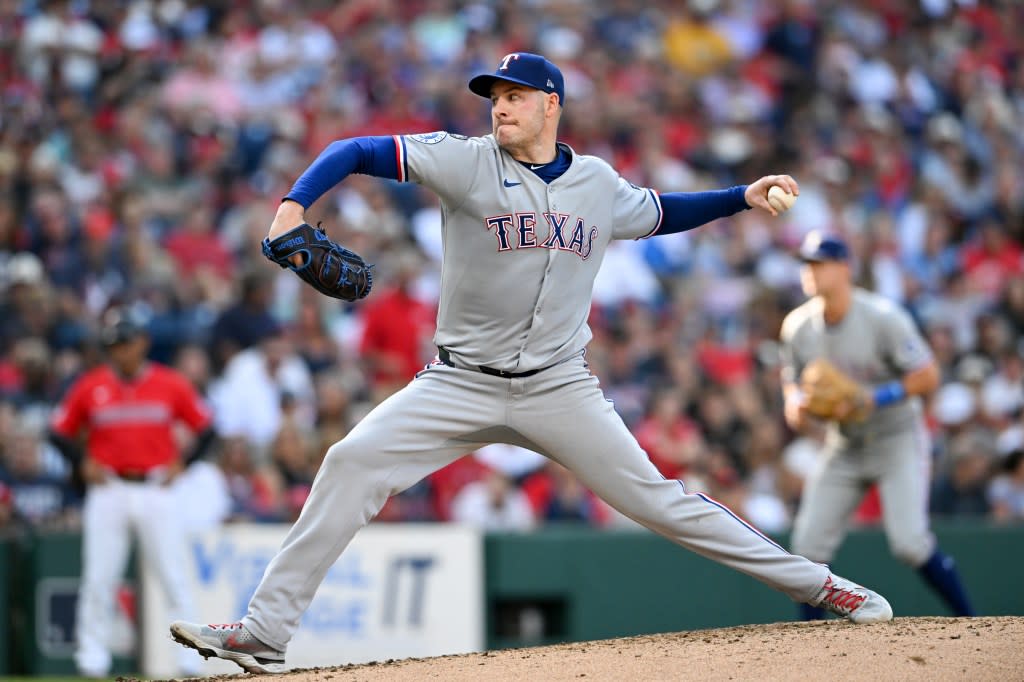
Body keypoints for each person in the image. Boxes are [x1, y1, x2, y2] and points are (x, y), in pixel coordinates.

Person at [171, 52, 892, 674]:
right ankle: (265, 633)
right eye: (494, 97)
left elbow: (660, 211)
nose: (500, 108)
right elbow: (359, 150)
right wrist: (294, 204)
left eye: (515, 96)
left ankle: (825, 587)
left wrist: (740, 195)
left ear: (552, 104)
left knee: (659, 500)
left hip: (558, 385)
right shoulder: (464, 160)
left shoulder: (598, 183)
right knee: (352, 462)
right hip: (459, 380)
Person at [779, 231, 975, 620]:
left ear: (845, 268)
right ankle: (806, 652)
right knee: (805, 551)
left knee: (910, 544)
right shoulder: (797, 327)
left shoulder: (882, 317)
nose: (811, 271)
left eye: (820, 263)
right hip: (845, 442)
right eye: (807, 264)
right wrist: (794, 403)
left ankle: (972, 623)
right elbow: (791, 380)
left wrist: (876, 397)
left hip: (895, 435)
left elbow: (928, 374)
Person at [48, 307, 216, 677]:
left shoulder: (170, 383)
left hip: (156, 487)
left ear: (143, 342)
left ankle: (189, 660)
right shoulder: (92, 385)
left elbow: (207, 428)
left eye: (125, 343)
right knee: (99, 577)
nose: (119, 351)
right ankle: (92, 660)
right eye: (114, 345)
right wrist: (80, 461)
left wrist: (184, 464)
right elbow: (57, 430)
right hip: (109, 487)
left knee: (172, 576)